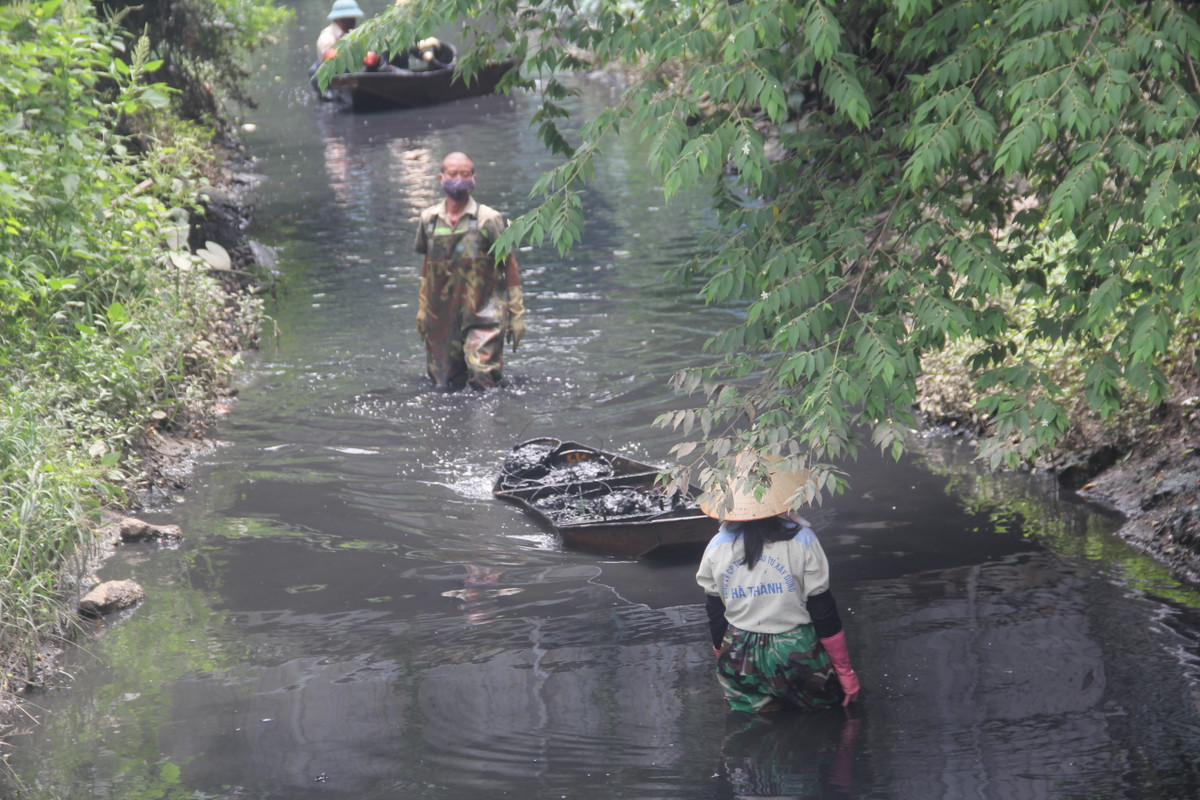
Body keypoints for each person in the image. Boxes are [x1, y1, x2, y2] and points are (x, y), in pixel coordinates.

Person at [695, 450, 861, 713]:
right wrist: (845, 672)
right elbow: (822, 609)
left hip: (739, 651)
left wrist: (723, 657)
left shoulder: (715, 548)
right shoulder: (803, 541)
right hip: (795, 650)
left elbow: (715, 613)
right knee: (829, 718)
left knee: (754, 729)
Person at [413, 152, 525, 390]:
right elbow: (427, 264)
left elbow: (509, 263)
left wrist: (517, 313)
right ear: (441, 177)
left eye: (465, 174)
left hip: (484, 313)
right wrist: (423, 308)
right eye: (453, 174)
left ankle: (493, 425)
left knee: (484, 380)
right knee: (444, 386)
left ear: (474, 178)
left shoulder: (489, 219)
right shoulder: (429, 220)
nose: (458, 180)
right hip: (441, 318)